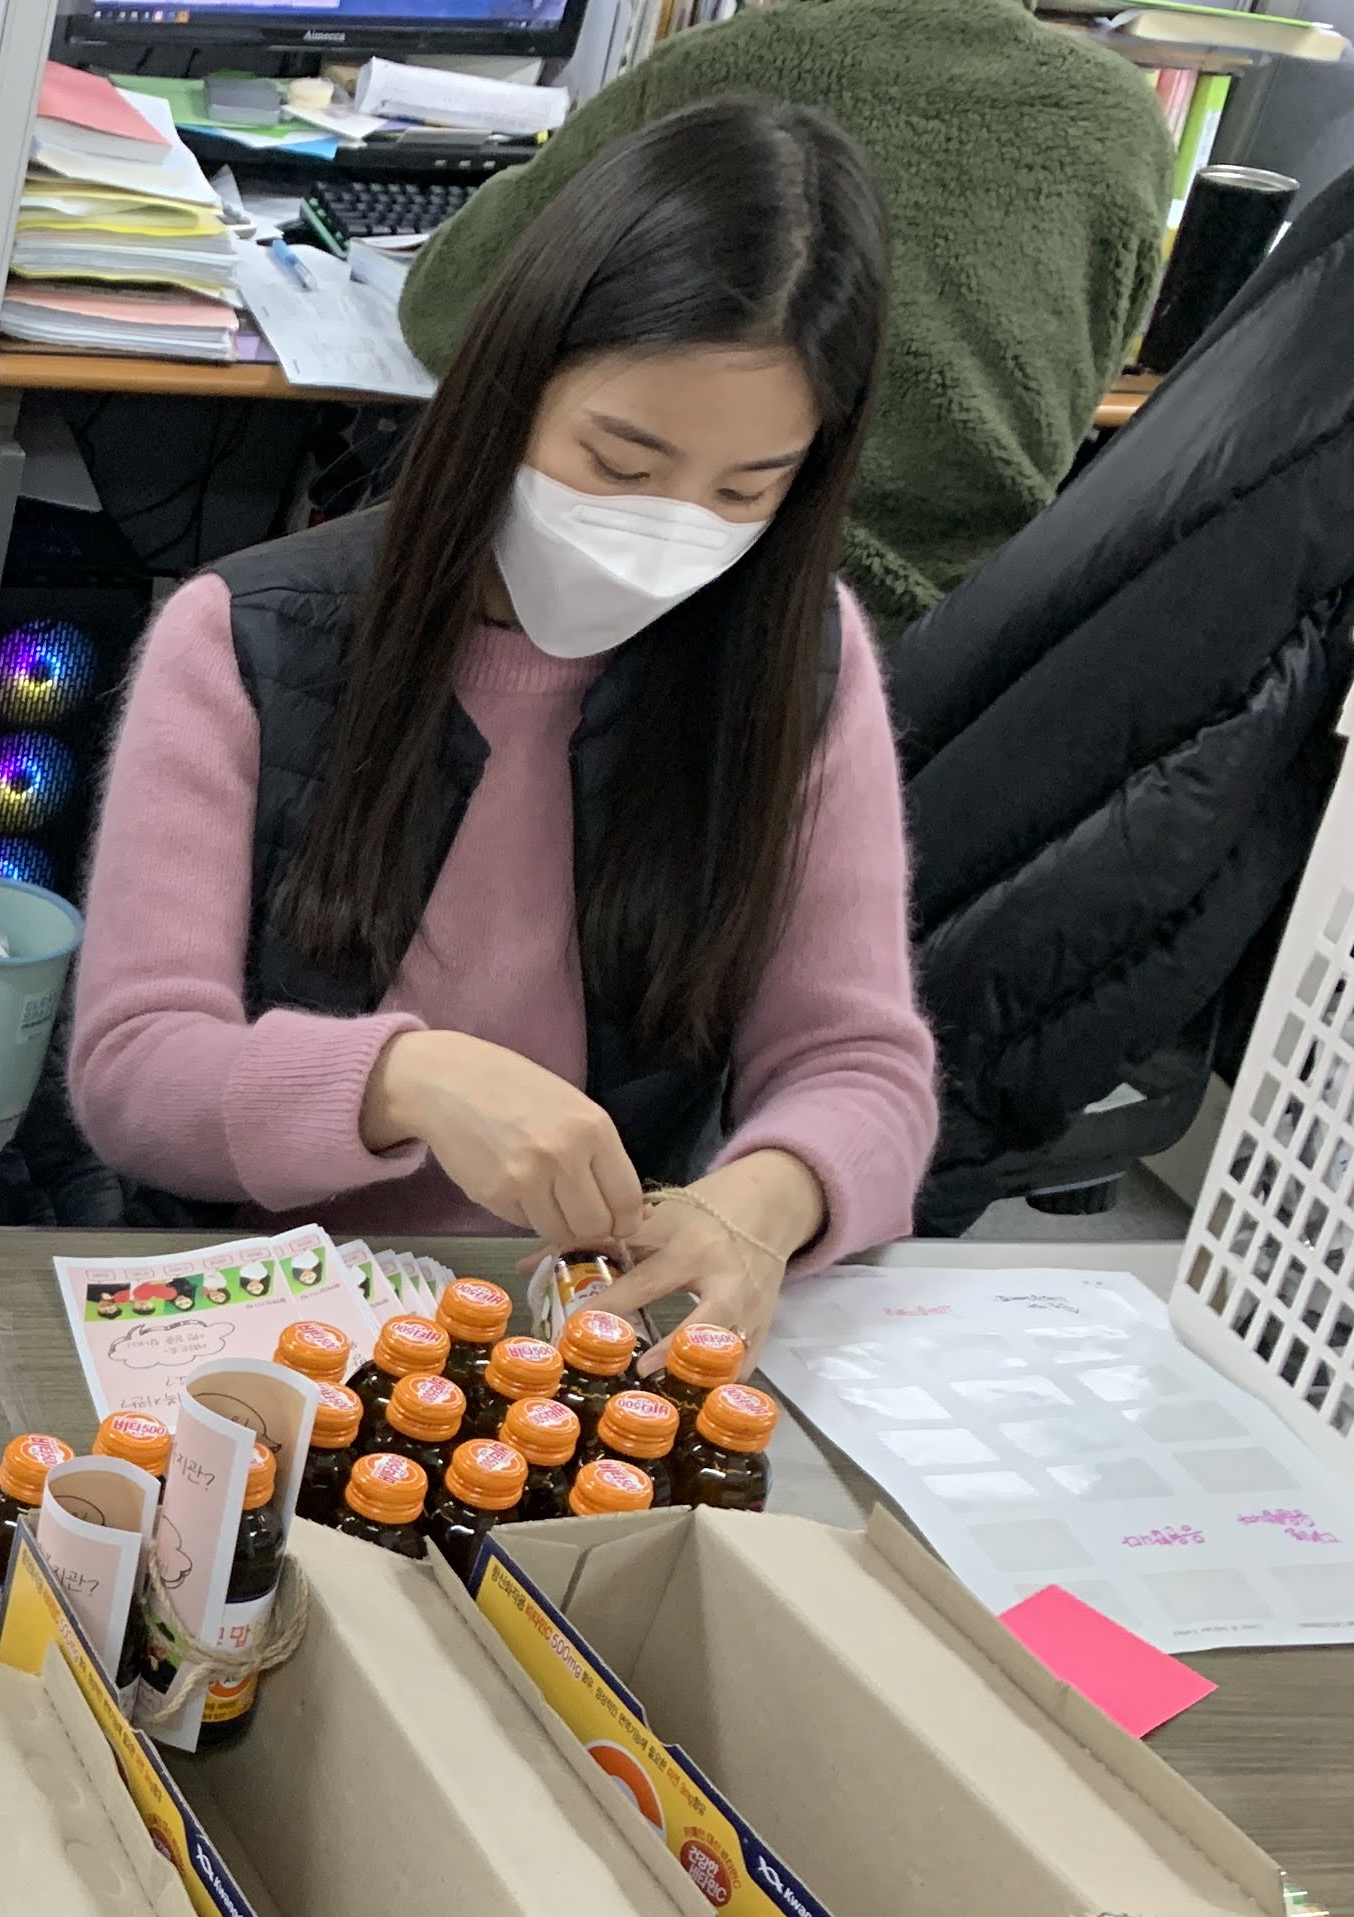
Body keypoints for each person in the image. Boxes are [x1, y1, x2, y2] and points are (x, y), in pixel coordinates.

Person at [68, 97, 941, 1352]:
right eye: (621, 466)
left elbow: (860, 1064)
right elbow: (136, 1075)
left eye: (744, 490)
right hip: (259, 1314)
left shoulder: (796, 660)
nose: (669, 532)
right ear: (514, 387)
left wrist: (771, 1195)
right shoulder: (247, 639)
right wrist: (405, 1080)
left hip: (580, 1329)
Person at [395, 0, 1170, 632]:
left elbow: (449, 306)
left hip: (736, 613)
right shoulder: (1121, 117)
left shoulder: (719, 68)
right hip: (968, 639)